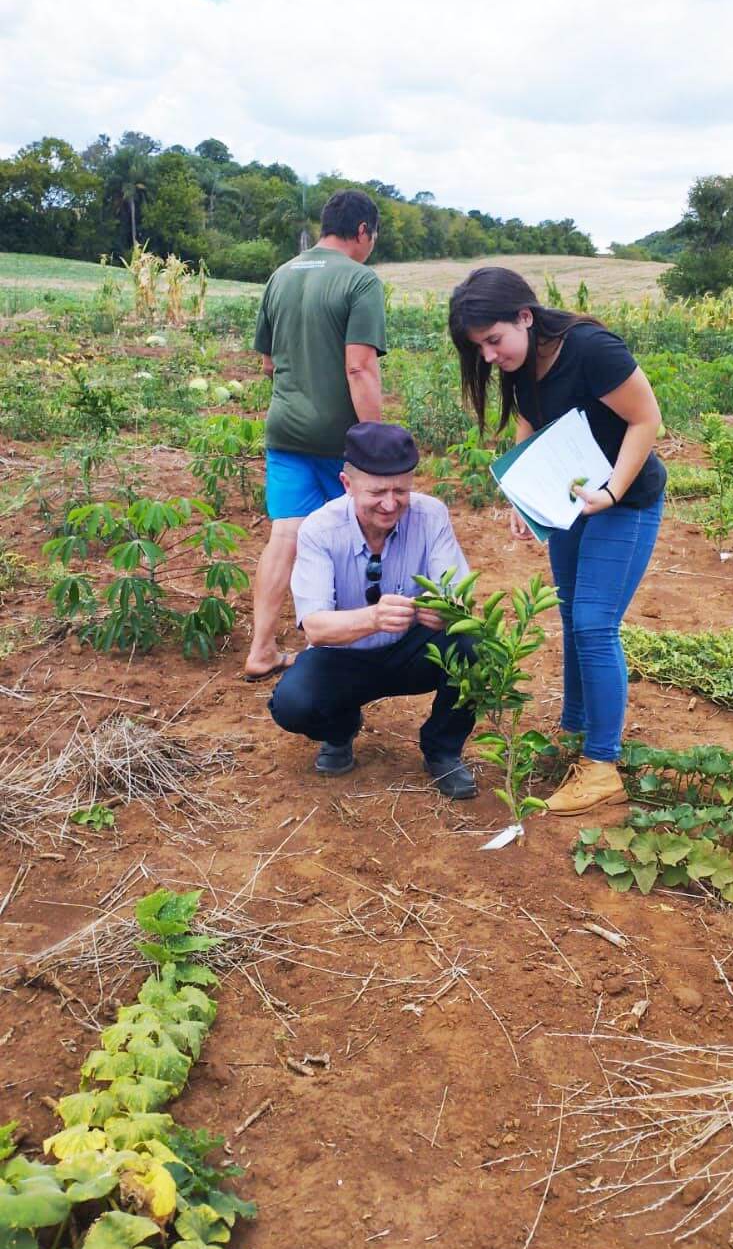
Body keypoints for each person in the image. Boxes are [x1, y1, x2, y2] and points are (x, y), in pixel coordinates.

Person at [448, 266, 666, 816]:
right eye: (480, 349)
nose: (491, 357)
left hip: (625, 499)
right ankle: (573, 731)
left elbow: (647, 420)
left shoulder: (591, 349)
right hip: (574, 498)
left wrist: (612, 493)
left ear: (525, 316)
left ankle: (601, 765)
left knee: (595, 622)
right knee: (571, 614)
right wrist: (525, 495)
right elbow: (531, 421)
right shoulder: (522, 359)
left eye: (494, 341)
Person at [268, 422, 478, 800]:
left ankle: (443, 749)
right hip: (342, 658)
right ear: (347, 485)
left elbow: (458, 593)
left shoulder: (431, 515)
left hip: (414, 653)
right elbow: (315, 627)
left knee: (473, 644)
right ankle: (340, 727)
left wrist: (447, 611)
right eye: (377, 492)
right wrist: (373, 618)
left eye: (401, 490)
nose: (390, 503)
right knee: (292, 704)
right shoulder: (319, 529)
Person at [245, 189, 386, 680]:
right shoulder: (360, 280)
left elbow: (267, 362)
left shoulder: (280, 275)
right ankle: (356, 641)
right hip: (339, 437)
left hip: (284, 429)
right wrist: (376, 440)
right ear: (363, 231)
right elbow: (360, 368)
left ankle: (262, 649)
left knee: (286, 533)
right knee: (361, 532)